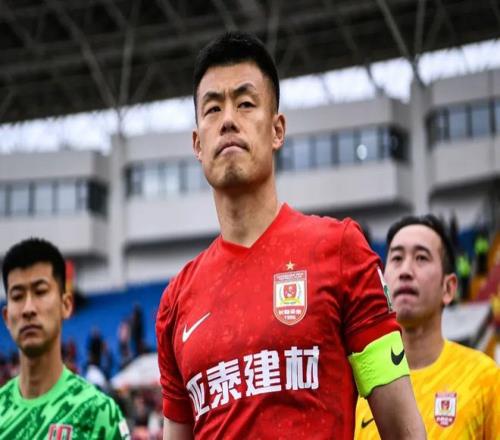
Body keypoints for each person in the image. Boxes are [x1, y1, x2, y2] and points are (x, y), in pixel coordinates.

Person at [155, 31, 425, 439]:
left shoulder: (341, 251)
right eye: (212, 109)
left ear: (277, 130)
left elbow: (404, 432)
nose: (227, 120)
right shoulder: (176, 303)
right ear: (197, 144)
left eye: (246, 103)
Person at [355, 215, 500, 439]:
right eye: (397, 258)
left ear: (449, 288)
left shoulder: (484, 378)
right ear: (383, 282)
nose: (405, 271)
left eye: (421, 258)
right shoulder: (359, 387)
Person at [0, 238, 130, 440]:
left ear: (66, 305)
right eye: (17, 296)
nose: (28, 309)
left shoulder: (98, 413)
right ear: (7, 317)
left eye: (40, 291)